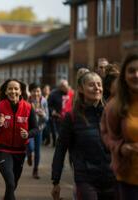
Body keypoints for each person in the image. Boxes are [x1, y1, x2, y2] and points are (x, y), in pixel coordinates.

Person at [51, 72, 116, 200]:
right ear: (81, 89)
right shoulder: (72, 117)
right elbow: (60, 148)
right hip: (86, 179)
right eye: (91, 85)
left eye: (99, 84)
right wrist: (56, 181)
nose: (97, 88)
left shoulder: (112, 114)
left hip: (112, 178)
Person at [0, 78, 38, 200]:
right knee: (10, 183)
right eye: (10, 89)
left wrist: (28, 134)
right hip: (3, 149)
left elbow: (36, 129)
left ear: (21, 91)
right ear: (6, 92)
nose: (13, 91)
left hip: (20, 151)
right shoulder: (0, 105)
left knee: (13, 185)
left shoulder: (28, 107)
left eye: (16, 88)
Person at [100, 53, 138, 199]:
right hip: (128, 178)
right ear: (124, 76)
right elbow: (105, 134)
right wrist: (120, 147)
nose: (136, 75)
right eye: (131, 70)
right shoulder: (114, 106)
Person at [26, 83, 48, 179]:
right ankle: (29, 154)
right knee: (30, 147)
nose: (36, 93)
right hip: (29, 129)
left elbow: (47, 118)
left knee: (37, 150)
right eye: (34, 91)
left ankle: (35, 170)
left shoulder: (44, 101)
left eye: (38, 91)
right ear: (30, 92)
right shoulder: (27, 101)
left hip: (39, 128)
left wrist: (43, 115)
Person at [47, 80, 74, 146]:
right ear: (60, 87)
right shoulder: (54, 94)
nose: (66, 88)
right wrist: (52, 111)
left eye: (67, 86)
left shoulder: (71, 93)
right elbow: (49, 105)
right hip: (58, 118)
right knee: (59, 134)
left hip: (69, 117)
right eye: (64, 87)